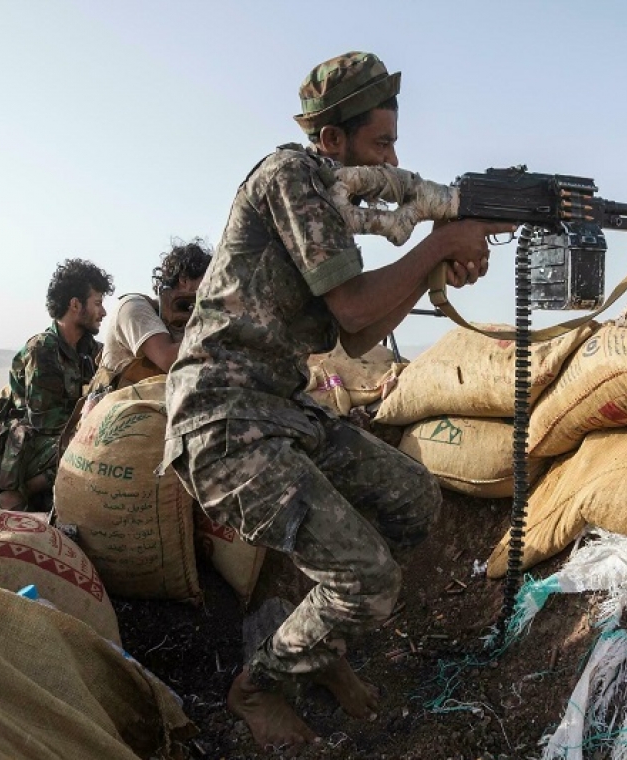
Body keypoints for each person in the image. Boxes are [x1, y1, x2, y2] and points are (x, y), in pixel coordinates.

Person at [164, 51, 511, 750]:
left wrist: (435, 265)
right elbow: (355, 313)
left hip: (278, 410)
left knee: (412, 498)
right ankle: (257, 688)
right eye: (380, 143)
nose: (391, 158)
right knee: (369, 581)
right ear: (332, 140)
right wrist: (438, 244)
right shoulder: (290, 175)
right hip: (223, 419)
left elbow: (363, 333)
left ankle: (318, 643)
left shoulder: (324, 197)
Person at [0, 259, 113, 510]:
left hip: (61, 438)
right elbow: (47, 422)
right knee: (91, 448)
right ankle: (21, 493)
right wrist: (92, 421)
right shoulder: (43, 349)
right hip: (32, 446)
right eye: (97, 303)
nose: (103, 312)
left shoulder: (92, 351)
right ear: (75, 305)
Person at [88, 238, 213, 396]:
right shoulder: (133, 307)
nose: (213, 288)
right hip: (118, 409)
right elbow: (169, 359)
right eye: (209, 280)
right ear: (184, 280)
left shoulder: (185, 321)